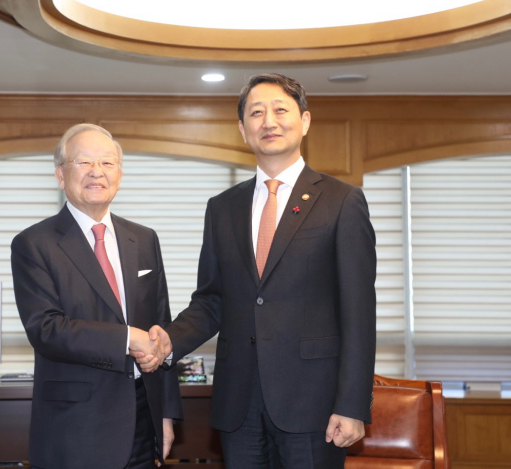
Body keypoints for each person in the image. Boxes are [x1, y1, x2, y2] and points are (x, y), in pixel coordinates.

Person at [135, 74, 377, 468]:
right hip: (239, 403)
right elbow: (212, 300)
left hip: (313, 405)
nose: (269, 121)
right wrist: (168, 341)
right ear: (242, 129)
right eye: (256, 112)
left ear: (305, 121)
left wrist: (352, 404)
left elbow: (359, 312)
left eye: (281, 109)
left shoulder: (341, 201)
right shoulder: (222, 207)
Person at [11, 123, 182, 469]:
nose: (96, 172)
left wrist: (166, 413)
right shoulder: (34, 243)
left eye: (107, 163)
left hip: (142, 419)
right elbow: (46, 329)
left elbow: (161, 329)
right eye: (83, 162)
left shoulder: (144, 239)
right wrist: (127, 337)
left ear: (119, 173)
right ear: (61, 175)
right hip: (75, 426)